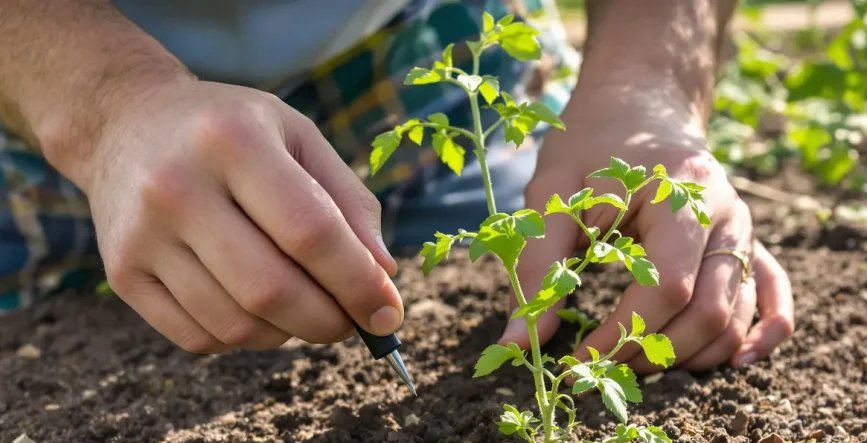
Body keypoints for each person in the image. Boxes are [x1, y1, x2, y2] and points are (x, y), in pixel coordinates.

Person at [0, 0, 793, 373]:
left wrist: (645, 89)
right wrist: (106, 106)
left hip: (415, 44)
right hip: (34, 85)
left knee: (554, 268)